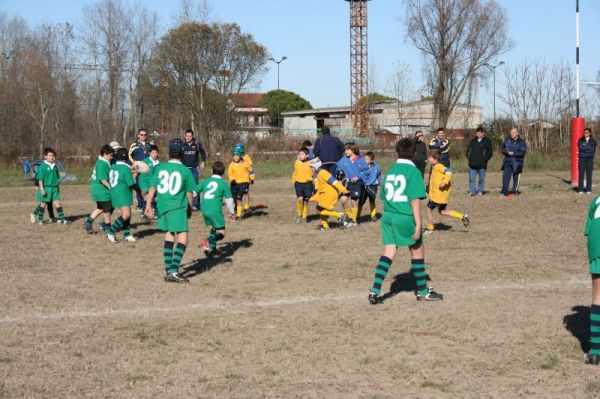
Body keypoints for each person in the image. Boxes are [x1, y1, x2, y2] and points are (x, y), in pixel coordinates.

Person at [368, 138, 443, 304]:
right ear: (414, 153)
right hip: (405, 216)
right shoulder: (414, 171)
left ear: (397, 152)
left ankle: (374, 290)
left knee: (389, 250)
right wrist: (418, 224)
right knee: (417, 250)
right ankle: (423, 291)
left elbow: (384, 196)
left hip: (388, 215)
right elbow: (415, 200)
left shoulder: (391, 170)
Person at [144, 139, 196, 283]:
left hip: (163, 207)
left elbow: (152, 188)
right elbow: (189, 192)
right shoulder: (185, 170)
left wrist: (148, 205)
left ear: (169, 153)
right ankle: (173, 271)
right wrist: (190, 207)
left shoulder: (160, 168)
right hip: (177, 207)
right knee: (183, 239)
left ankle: (168, 269)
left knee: (169, 236)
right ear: (182, 153)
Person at [424, 152, 470, 234]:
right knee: (442, 211)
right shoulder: (434, 166)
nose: (429, 159)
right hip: (440, 195)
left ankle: (430, 228)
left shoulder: (439, 166)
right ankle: (462, 217)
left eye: (430, 158)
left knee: (428, 209)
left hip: (438, 195)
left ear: (436, 159)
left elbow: (449, 171)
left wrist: (444, 182)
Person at [197, 161, 236, 257]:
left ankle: (212, 250)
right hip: (215, 210)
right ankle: (207, 241)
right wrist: (231, 212)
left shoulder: (206, 181)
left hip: (204, 208)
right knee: (222, 233)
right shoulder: (223, 183)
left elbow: (194, 191)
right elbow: (229, 200)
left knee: (213, 228)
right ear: (223, 173)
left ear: (212, 171)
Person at [106, 148, 140, 243]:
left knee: (128, 213)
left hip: (115, 192)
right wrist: (141, 192)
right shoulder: (125, 168)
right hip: (122, 193)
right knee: (126, 214)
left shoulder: (114, 166)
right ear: (125, 158)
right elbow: (132, 184)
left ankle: (127, 234)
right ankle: (111, 232)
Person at [30, 148, 69, 225]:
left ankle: (62, 219)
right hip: (46, 188)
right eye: (50, 155)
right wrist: (41, 189)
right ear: (45, 156)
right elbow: (40, 179)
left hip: (55, 188)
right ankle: (40, 219)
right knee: (43, 204)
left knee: (58, 203)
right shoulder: (43, 166)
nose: (52, 157)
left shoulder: (55, 166)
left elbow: (56, 177)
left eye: (53, 155)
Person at [308, 158, 349, 230]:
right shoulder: (317, 174)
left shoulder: (323, 172)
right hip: (325, 194)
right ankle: (326, 227)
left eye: (311, 167)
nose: (310, 169)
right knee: (319, 210)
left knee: (319, 210)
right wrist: (314, 197)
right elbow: (318, 188)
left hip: (329, 194)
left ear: (315, 166)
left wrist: (344, 190)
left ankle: (339, 215)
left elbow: (334, 182)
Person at [84, 144, 115, 234]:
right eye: (111, 155)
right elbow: (102, 180)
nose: (112, 157)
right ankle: (107, 228)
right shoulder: (101, 164)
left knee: (101, 207)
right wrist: (111, 188)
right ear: (105, 154)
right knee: (107, 209)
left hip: (98, 189)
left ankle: (88, 222)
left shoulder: (104, 162)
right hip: (101, 189)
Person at [336, 142, 368, 226]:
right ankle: (350, 217)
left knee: (354, 201)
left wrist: (358, 177)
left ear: (353, 150)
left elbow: (366, 172)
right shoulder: (343, 160)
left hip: (356, 183)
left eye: (347, 149)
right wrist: (339, 173)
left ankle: (354, 220)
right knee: (343, 200)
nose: (345, 151)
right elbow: (338, 168)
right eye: (345, 149)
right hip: (346, 183)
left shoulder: (360, 160)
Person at [585, 193, 600, 365]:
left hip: (597, 247)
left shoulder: (596, 200)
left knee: (598, 297)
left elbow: (589, 233)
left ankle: (595, 352)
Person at [182, 129, 207, 210]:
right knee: (184, 186)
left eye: (190, 136)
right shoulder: (182, 144)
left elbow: (203, 153)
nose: (188, 137)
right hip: (184, 169)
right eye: (187, 136)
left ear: (192, 136)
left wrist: (203, 161)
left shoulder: (197, 144)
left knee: (194, 187)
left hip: (194, 169)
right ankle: (185, 204)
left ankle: (195, 205)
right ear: (184, 136)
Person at [129, 129, 153, 210]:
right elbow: (130, 156)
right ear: (138, 135)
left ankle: (149, 203)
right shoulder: (134, 145)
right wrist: (135, 165)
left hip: (149, 169)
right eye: (142, 134)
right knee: (139, 187)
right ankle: (140, 204)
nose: (143, 136)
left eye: (145, 134)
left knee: (149, 187)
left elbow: (154, 155)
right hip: (139, 169)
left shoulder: (151, 144)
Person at [466, 127, 494, 196]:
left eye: (479, 133)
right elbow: (468, 151)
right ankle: (472, 192)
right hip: (472, 164)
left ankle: (480, 191)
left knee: (481, 179)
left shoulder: (487, 141)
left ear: (482, 133)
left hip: (482, 165)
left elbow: (490, 153)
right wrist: (469, 158)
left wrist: (484, 160)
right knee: (472, 179)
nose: (477, 134)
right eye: (477, 133)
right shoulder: (473, 141)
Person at [501, 127, 527, 198]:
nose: (511, 134)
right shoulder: (507, 140)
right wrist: (506, 152)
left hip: (517, 163)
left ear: (517, 133)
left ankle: (514, 192)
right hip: (507, 161)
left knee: (516, 178)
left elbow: (522, 152)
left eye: (513, 133)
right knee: (505, 178)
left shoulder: (521, 142)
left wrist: (514, 153)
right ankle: (505, 193)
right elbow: (502, 148)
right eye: (511, 132)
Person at [228, 147, 253, 220]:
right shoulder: (231, 164)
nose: (235, 157)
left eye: (237, 155)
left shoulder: (245, 163)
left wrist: (252, 179)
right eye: (234, 155)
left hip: (244, 183)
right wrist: (232, 179)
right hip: (234, 184)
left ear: (240, 156)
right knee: (233, 198)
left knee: (239, 198)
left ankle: (239, 215)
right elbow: (230, 173)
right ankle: (236, 209)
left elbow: (251, 171)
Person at [358, 151, 382, 222]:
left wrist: (382, 185)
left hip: (372, 186)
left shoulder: (377, 167)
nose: (365, 160)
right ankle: (357, 216)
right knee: (361, 201)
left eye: (367, 159)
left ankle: (373, 216)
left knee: (372, 200)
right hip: (363, 186)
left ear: (371, 160)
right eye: (364, 159)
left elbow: (379, 176)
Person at [292, 147, 314, 223]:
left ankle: (304, 216)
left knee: (306, 200)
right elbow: (295, 172)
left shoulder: (311, 163)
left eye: (302, 154)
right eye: (299, 154)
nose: (300, 155)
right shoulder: (297, 162)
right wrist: (293, 180)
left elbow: (315, 173)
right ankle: (299, 215)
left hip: (308, 184)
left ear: (307, 155)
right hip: (298, 183)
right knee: (300, 199)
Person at [138, 144, 160, 220]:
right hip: (146, 184)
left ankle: (157, 214)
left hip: (155, 185)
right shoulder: (144, 162)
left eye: (156, 153)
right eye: (153, 153)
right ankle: (144, 214)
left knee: (158, 198)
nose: (155, 154)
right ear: (150, 153)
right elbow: (138, 171)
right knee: (147, 197)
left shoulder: (159, 163)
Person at [234, 143, 254, 212]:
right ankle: (237, 206)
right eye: (237, 148)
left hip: (245, 178)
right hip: (237, 178)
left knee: (246, 192)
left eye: (239, 148)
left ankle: (246, 207)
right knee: (236, 193)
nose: (238, 149)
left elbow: (251, 166)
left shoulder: (246, 156)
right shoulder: (235, 157)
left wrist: (251, 178)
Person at [578, 128, 596, 194]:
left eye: (587, 132)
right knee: (581, 174)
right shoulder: (581, 140)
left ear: (590, 133)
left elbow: (592, 149)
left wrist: (586, 148)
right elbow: (581, 148)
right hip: (582, 158)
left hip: (590, 159)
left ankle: (588, 189)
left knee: (589, 174)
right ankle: (580, 189)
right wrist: (587, 148)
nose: (585, 134)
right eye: (585, 132)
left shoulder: (593, 141)